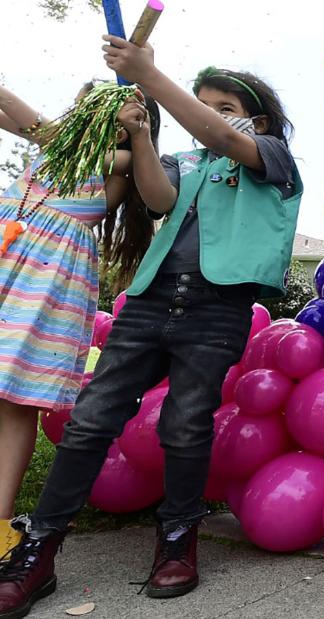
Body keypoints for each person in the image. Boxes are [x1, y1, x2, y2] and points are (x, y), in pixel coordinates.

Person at [0, 36, 302, 617]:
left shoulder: (270, 158)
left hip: (217, 309)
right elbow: (158, 197)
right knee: (90, 421)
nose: (211, 116)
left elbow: (221, 137)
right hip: (148, 302)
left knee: (186, 424)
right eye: (203, 103)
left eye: (226, 106)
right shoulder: (183, 163)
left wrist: (147, 73)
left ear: (255, 120)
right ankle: (39, 547)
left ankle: (176, 538)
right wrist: (140, 135)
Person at [0, 80, 159, 556]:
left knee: (16, 402)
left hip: (44, 288)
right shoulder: (53, 144)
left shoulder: (118, 163)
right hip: (9, 261)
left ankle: (1, 522)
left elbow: (24, 114)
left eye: (99, 107)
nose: (81, 110)